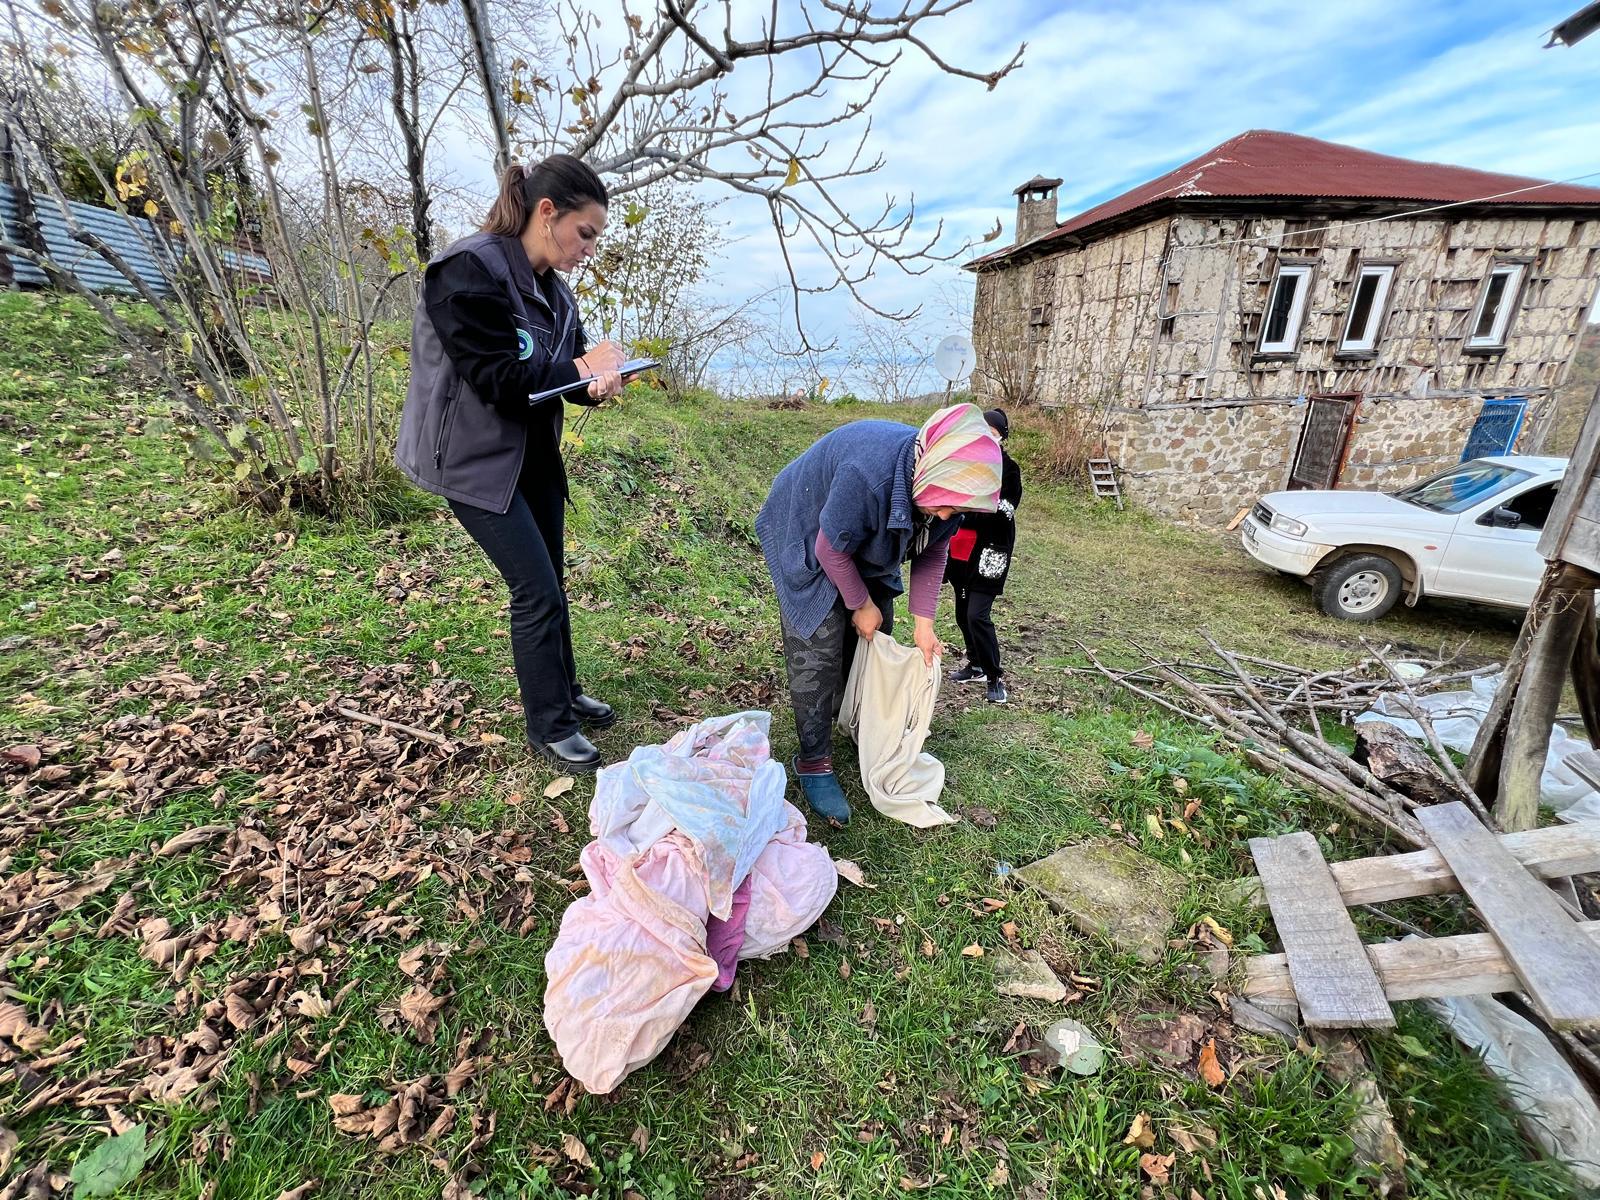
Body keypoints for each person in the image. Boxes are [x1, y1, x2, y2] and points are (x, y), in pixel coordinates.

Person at [395, 154, 626, 772]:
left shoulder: (556, 293)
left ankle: (565, 692)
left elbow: (559, 377)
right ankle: (549, 726)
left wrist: (596, 384)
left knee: (552, 578)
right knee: (535, 589)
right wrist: (579, 370)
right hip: (469, 459)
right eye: (586, 233)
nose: (589, 249)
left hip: (531, 456)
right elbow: (496, 378)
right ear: (546, 213)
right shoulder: (467, 271)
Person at [756, 403, 1003, 824]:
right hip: (809, 530)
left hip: (863, 541)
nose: (946, 515)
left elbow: (934, 548)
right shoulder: (868, 476)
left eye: (955, 509)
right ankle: (813, 761)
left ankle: (855, 722)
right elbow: (830, 549)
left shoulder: (946, 489)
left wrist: (924, 625)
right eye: (943, 504)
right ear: (927, 474)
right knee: (818, 644)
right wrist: (859, 603)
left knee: (877, 635)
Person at [945, 407, 1024, 704]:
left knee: (978, 614)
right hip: (962, 548)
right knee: (962, 612)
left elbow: (1004, 511)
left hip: (991, 550)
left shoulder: (1009, 469)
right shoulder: (966, 463)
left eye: (992, 432)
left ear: (1001, 436)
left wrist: (966, 511)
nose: (986, 437)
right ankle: (975, 663)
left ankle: (994, 676)